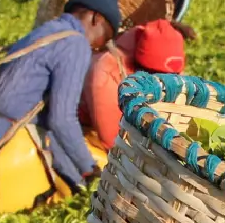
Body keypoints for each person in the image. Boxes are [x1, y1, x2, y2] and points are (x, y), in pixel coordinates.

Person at [0, 0, 119, 220]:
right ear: (95, 19)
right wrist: (90, 170)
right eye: (103, 38)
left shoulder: (45, 31)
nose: (97, 46)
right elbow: (61, 119)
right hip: (9, 142)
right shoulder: (75, 43)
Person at [80, 18, 188, 166]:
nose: (163, 84)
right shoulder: (107, 73)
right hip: (91, 132)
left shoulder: (169, 66)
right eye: (156, 75)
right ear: (140, 67)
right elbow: (112, 140)